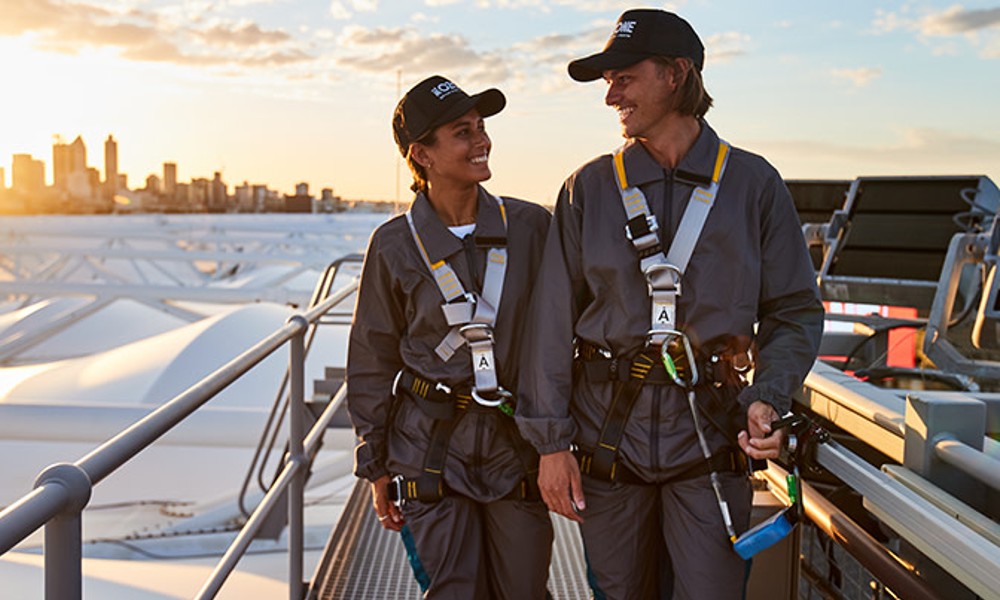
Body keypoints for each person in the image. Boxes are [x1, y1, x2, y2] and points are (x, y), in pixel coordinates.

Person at [515, 9, 824, 600]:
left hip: (709, 440)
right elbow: (550, 324)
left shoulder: (755, 185)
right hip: (610, 441)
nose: (610, 96)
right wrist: (552, 444)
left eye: (623, 78)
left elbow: (795, 311)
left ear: (676, 74)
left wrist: (767, 396)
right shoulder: (587, 188)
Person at [346, 74, 554, 599]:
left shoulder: (531, 227)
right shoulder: (394, 246)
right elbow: (372, 357)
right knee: (454, 590)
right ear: (423, 154)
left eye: (481, 127)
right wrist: (375, 466)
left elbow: (566, 327)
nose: (482, 141)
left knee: (525, 590)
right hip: (430, 451)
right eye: (463, 132)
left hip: (516, 450)